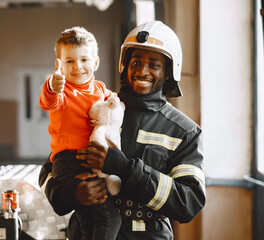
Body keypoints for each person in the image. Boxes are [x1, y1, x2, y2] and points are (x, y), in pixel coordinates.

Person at [39, 21, 206, 240]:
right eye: (136, 62)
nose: (142, 71)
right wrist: (70, 193)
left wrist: (126, 170)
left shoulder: (184, 131)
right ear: (125, 65)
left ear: (168, 72)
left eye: (154, 65)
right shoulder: (102, 108)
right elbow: (49, 169)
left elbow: (188, 202)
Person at [38, 26, 121, 240]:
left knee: (88, 219)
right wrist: (51, 84)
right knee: (109, 216)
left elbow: (120, 104)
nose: (78, 67)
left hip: (91, 159)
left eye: (84, 59)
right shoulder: (62, 90)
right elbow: (48, 100)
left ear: (96, 62)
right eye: (69, 61)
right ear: (60, 65)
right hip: (68, 162)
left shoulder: (101, 90)